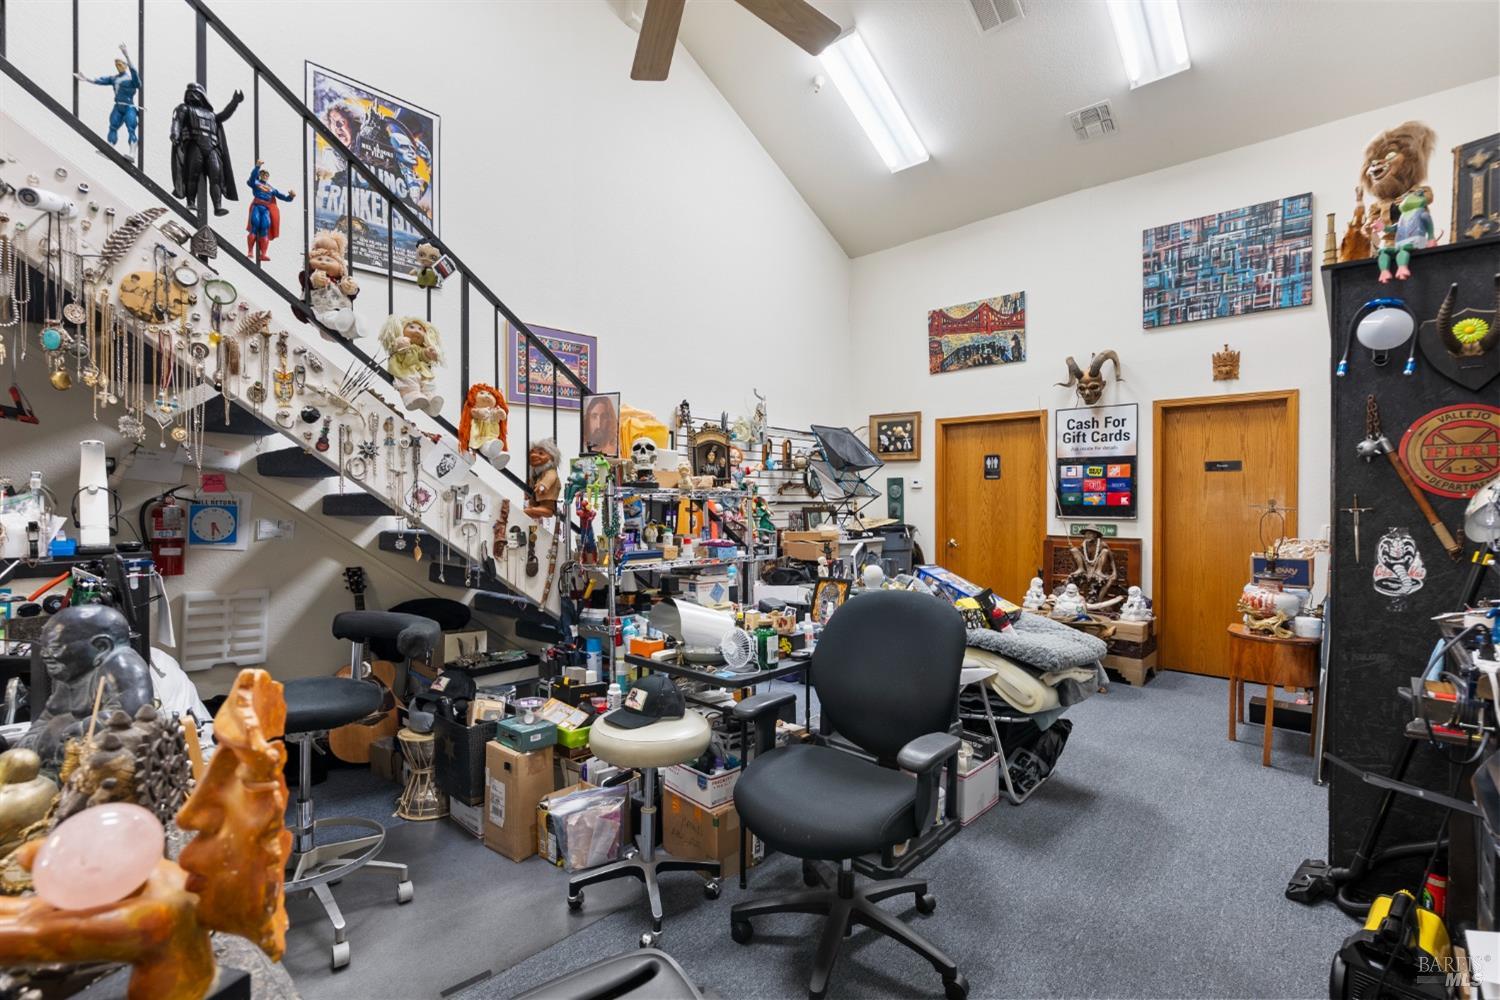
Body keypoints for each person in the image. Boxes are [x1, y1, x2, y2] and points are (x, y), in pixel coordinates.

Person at [74, 43, 141, 154]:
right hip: (118, 106)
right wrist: (86, 79)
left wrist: (127, 55)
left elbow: (136, 78)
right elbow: (101, 81)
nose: (118, 66)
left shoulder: (130, 80)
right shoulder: (114, 78)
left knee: (131, 128)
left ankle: (132, 153)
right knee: (113, 126)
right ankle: (110, 148)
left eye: (121, 64)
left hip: (129, 107)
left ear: (125, 65)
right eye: (117, 64)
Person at [245, 160, 295, 263]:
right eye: (263, 174)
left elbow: (283, 197)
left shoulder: (271, 188)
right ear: (260, 175)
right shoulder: (255, 182)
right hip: (257, 206)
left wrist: (291, 196)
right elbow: (251, 179)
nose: (265, 176)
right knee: (254, 225)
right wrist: (257, 166)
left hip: (266, 209)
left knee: (264, 228)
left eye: (266, 175)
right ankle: (250, 251)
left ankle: (263, 254)